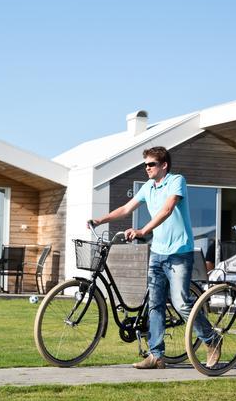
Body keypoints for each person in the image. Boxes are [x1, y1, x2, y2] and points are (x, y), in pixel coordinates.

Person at [88, 146, 221, 369]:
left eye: (151, 164)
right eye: (145, 165)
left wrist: (143, 231)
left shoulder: (177, 181)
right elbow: (126, 208)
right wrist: (100, 220)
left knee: (181, 303)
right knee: (155, 305)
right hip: (158, 253)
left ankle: (212, 339)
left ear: (163, 165)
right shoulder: (149, 187)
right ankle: (156, 356)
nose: (147, 168)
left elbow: (167, 209)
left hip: (179, 252)